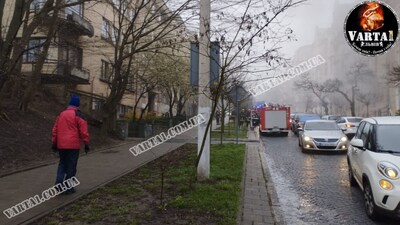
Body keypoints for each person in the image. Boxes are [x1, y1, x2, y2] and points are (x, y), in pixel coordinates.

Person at [52, 95, 89, 194]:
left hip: (61, 144)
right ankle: (68, 187)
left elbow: (55, 130)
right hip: (73, 145)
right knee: (71, 166)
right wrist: (86, 143)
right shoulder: (78, 115)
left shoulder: (61, 114)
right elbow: (84, 131)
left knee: (62, 163)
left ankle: (58, 184)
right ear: (78, 105)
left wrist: (54, 143)